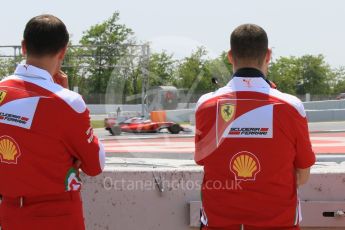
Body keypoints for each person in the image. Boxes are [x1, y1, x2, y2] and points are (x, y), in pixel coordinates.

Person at [195, 24, 315, 230]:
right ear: (268, 55)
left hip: (219, 223)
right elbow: (302, 175)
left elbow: (202, 160)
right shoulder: (291, 106)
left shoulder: (205, 105)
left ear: (230, 56)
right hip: (280, 224)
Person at [0, 15, 105, 230]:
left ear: (23, 47)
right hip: (59, 216)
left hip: (9, 215)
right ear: (63, 51)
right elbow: (95, 166)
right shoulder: (69, 102)